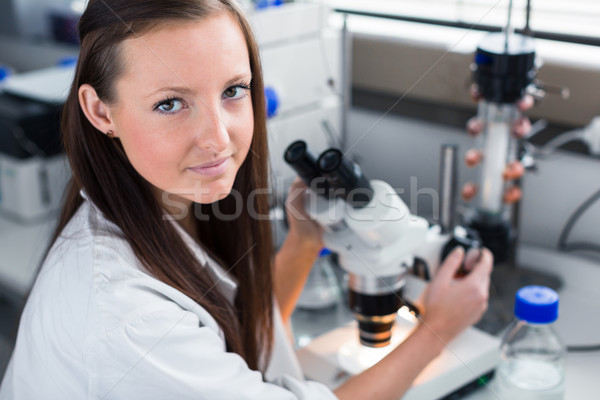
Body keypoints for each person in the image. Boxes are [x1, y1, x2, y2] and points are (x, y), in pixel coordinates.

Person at [0, 1, 494, 399]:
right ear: (100, 111)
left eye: (234, 91)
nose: (218, 138)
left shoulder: (165, 205)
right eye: (170, 103)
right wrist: (441, 330)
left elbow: (239, 339)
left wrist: (303, 244)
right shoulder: (127, 318)